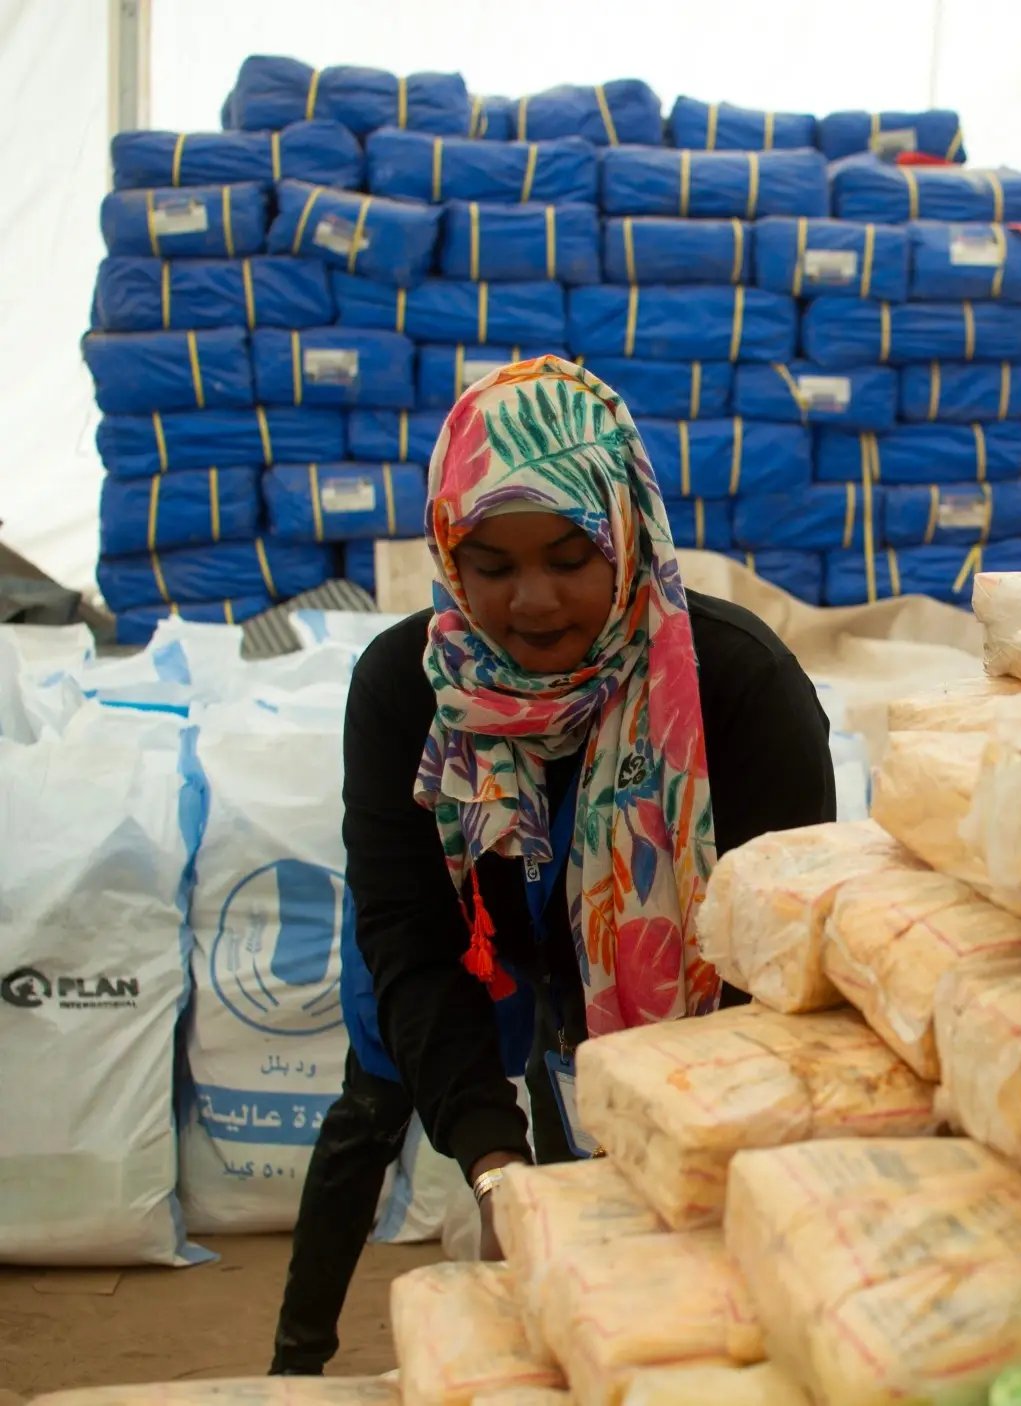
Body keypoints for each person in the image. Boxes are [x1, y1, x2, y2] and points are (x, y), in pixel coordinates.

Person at [333, 358, 832, 1276]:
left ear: (627, 535)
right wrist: (496, 1169)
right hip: (549, 1038)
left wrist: (683, 1150)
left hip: (728, 1093)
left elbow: (777, 963)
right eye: (492, 566)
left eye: (570, 559)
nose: (533, 600)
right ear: (448, 556)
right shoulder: (413, 694)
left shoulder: (735, 687)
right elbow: (411, 941)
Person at [268, 921, 534, 1377]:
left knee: (559, 1092)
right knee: (372, 1116)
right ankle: (297, 1358)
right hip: (405, 941)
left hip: (515, 938)